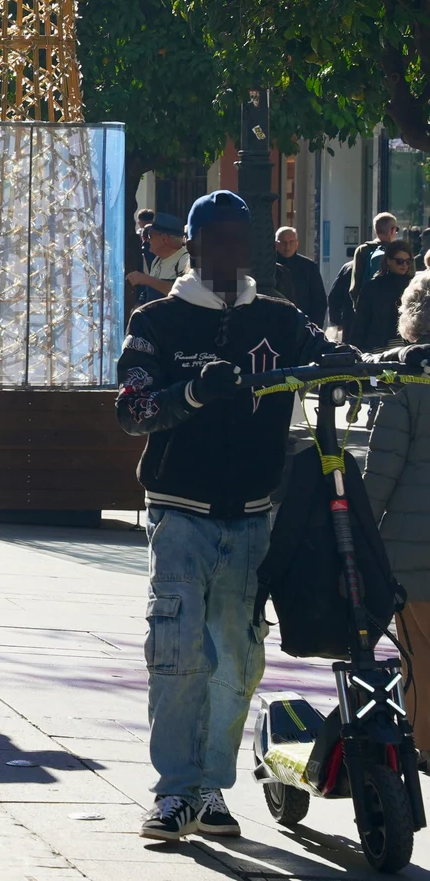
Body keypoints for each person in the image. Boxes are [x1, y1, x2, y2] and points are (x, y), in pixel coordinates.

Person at [115, 189, 349, 842]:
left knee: (239, 660)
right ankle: (174, 791)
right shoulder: (157, 321)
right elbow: (131, 408)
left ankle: (212, 786)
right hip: (180, 515)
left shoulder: (280, 317)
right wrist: (189, 391)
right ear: (191, 245)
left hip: (252, 517)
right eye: (212, 237)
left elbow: (323, 352)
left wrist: (342, 361)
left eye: (235, 237)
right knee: (179, 647)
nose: (225, 248)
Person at [360, 271, 430, 732]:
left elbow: (382, 471)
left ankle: (423, 742)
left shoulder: (407, 383)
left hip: (413, 551)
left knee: (419, 658)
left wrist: (358, 529)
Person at [351, 240, 416, 352]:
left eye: (408, 261)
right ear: (388, 261)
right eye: (399, 261)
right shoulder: (373, 287)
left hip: (408, 345)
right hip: (379, 346)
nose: (404, 265)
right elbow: (361, 321)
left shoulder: (414, 285)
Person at [125, 214, 189, 305]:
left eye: (150, 236)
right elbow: (148, 291)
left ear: (164, 239)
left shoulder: (185, 261)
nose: (147, 240)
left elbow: (183, 292)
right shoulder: (157, 260)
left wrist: (146, 279)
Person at [273, 226, 328, 327]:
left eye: (291, 242)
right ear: (276, 244)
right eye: (283, 242)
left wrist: (314, 327)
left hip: (303, 325)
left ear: (297, 244)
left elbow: (319, 300)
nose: (287, 247)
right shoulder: (269, 266)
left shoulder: (309, 267)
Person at [351, 212, 401, 311]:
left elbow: (355, 285)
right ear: (392, 230)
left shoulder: (362, 250)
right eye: (396, 229)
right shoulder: (399, 251)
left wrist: (359, 308)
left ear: (375, 230)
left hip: (366, 308)